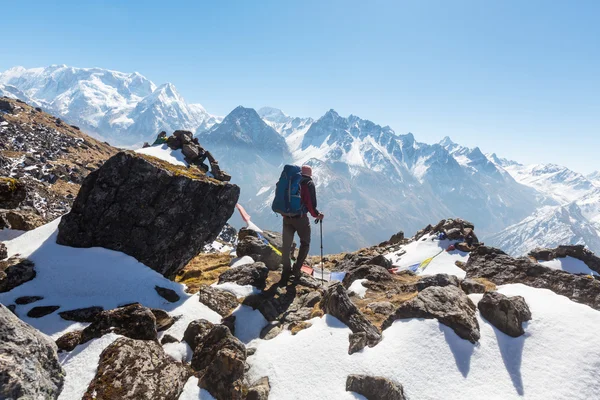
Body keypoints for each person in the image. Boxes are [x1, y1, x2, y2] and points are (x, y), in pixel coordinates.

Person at [280, 165, 324, 285]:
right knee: (305, 243)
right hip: (300, 219)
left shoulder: (290, 180)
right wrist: (317, 215)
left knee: (286, 245)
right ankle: (296, 269)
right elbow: (310, 204)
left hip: (286, 218)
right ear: (310, 174)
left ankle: (285, 271)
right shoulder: (308, 183)